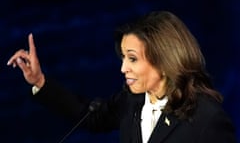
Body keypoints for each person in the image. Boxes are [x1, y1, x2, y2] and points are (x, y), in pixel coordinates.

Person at [7, 11, 236, 143]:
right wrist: (40, 82)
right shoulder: (131, 101)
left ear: (165, 60)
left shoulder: (207, 119)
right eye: (123, 58)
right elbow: (89, 116)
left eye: (133, 58)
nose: (123, 68)